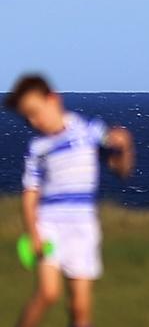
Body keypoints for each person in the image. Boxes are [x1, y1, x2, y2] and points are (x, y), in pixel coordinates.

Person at [4, 75, 135, 327]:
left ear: (52, 99)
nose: (33, 121)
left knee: (80, 307)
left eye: (34, 112)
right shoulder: (38, 148)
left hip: (82, 227)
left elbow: (119, 168)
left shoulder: (89, 131)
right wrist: (33, 233)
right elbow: (30, 194)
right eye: (26, 117)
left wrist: (124, 147)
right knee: (48, 293)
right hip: (49, 225)